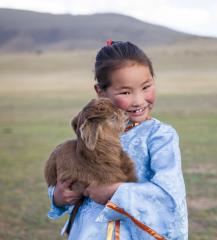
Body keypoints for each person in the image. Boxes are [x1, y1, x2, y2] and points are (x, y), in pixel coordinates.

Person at [47, 40, 188, 239]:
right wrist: (58, 196)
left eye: (146, 87)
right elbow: (72, 174)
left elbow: (169, 198)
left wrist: (116, 193)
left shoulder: (160, 136)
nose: (139, 100)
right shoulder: (93, 129)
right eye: (125, 92)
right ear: (100, 92)